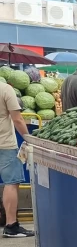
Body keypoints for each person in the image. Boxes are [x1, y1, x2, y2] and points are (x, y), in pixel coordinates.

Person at [0, 76, 34, 238]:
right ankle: (11, 225)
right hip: (4, 144)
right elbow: (17, 119)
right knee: (11, 182)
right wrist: (29, 139)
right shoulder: (5, 89)